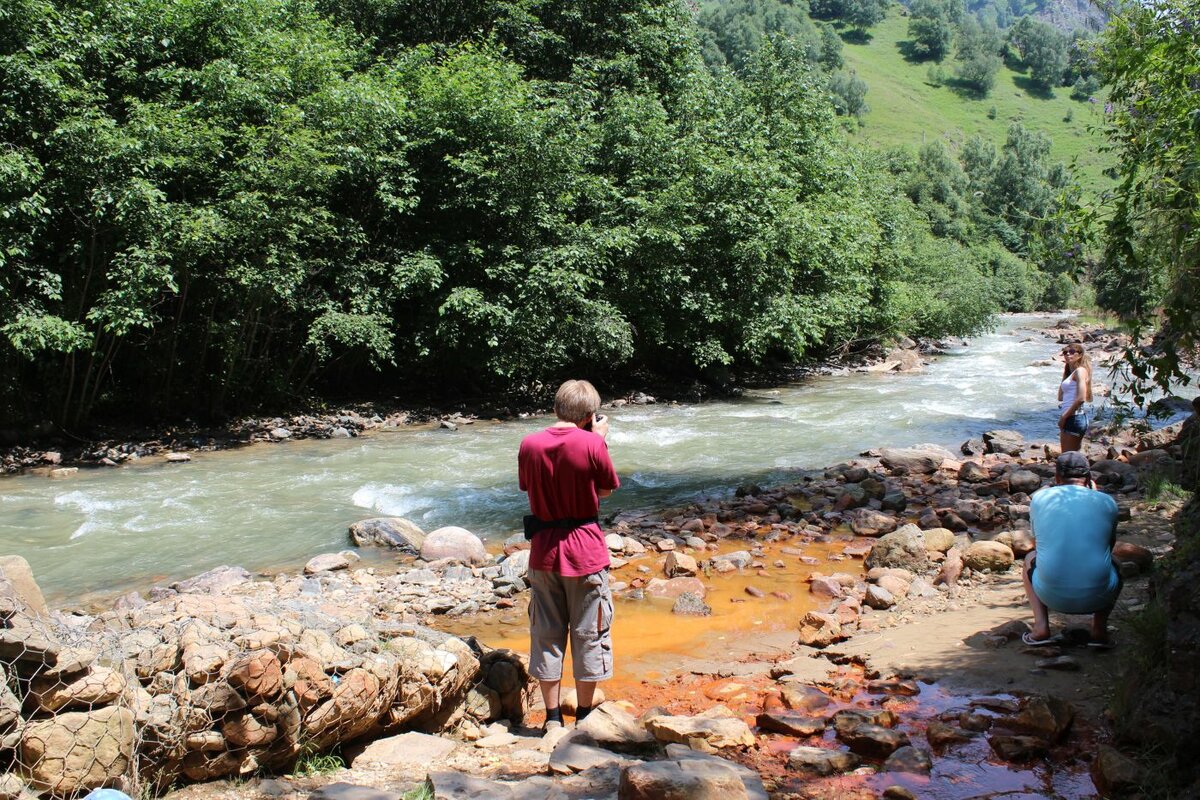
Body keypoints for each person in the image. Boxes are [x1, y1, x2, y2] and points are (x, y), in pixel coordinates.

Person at [518, 379, 619, 732]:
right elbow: (604, 490)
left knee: (546, 632)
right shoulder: (593, 442)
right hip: (585, 551)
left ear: (557, 409)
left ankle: (552, 718)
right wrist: (600, 441)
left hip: (543, 551)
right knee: (589, 632)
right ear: (590, 415)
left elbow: (529, 486)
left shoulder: (529, 444)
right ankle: (586, 716)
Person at [1021, 451, 1120, 647]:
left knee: (1030, 558)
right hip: (1099, 596)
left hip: (1051, 595)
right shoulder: (1107, 502)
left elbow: (1038, 545)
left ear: (1057, 477)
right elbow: (1109, 545)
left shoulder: (1040, 499)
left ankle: (1041, 627)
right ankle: (1099, 629)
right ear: (1089, 478)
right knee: (1115, 562)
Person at [1057, 342, 1093, 452]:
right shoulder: (1072, 373)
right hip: (1071, 417)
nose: (1068, 354)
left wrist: (1064, 417)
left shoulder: (1080, 371)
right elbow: (1060, 397)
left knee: (1069, 457)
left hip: (1074, 417)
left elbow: (1081, 398)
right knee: (1068, 456)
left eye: (1072, 352)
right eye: (1065, 352)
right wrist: (1066, 372)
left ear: (1080, 355)